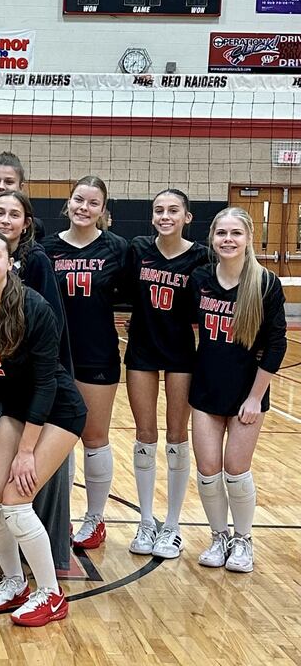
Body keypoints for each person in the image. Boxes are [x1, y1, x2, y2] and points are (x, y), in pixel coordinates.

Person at [0, 231, 86, 626]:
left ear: (10, 263)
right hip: (16, 408)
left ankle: (51, 595)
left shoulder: (35, 308)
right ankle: (15, 581)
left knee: (16, 502)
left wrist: (25, 451)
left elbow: (46, 383)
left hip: (59, 411)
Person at [0, 190, 73, 573]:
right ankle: (9, 567)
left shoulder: (34, 288)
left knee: (21, 492)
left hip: (50, 400)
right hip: (10, 397)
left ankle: (46, 573)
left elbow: (46, 373)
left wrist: (26, 449)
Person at [190, 207, 286, 573]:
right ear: (212, 238)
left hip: (248, 393)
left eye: (235, 233)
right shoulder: (201, 278)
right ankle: (219, 537)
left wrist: (255, 398)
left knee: (235, 470)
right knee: (208, 469)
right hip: (206, 389)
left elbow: (276, 344)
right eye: (221, 233)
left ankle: (243, 539)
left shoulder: (265, 283)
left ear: (248, 239)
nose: (228, 240)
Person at [40, 176, 127, 550]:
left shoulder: (117, 248)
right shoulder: (46, 249)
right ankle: (58, 518)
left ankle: (95, 518)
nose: (84, 208)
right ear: (68, 203)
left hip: (97, 354)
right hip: (54, 356)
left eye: (93, 203)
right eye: (79, 200)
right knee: (57, 438)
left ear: (103, 210)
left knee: (94, 438)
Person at [125, 189, 206, 559]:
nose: (165, 216)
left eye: (173, 210)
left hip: (180, 354)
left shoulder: (200, 256)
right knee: (145, 435)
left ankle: (172, 526)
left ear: (187, 217)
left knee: (177, 435)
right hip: (142, 350)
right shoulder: (138, 249)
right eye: (159, 210)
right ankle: (146, 522)